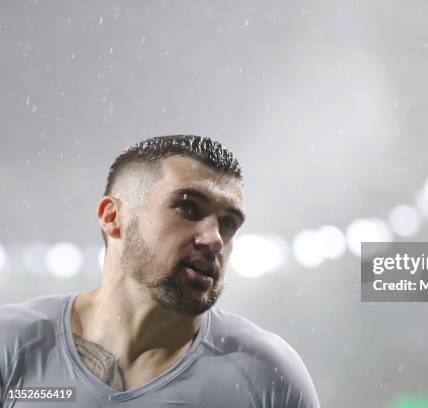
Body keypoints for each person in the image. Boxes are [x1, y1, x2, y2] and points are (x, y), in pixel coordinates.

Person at [0, 135, 320, 407]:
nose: (214, 239)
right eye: (188, 206)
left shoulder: (266, 374)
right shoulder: (11, 344)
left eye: (229, 223)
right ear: (113, 217)